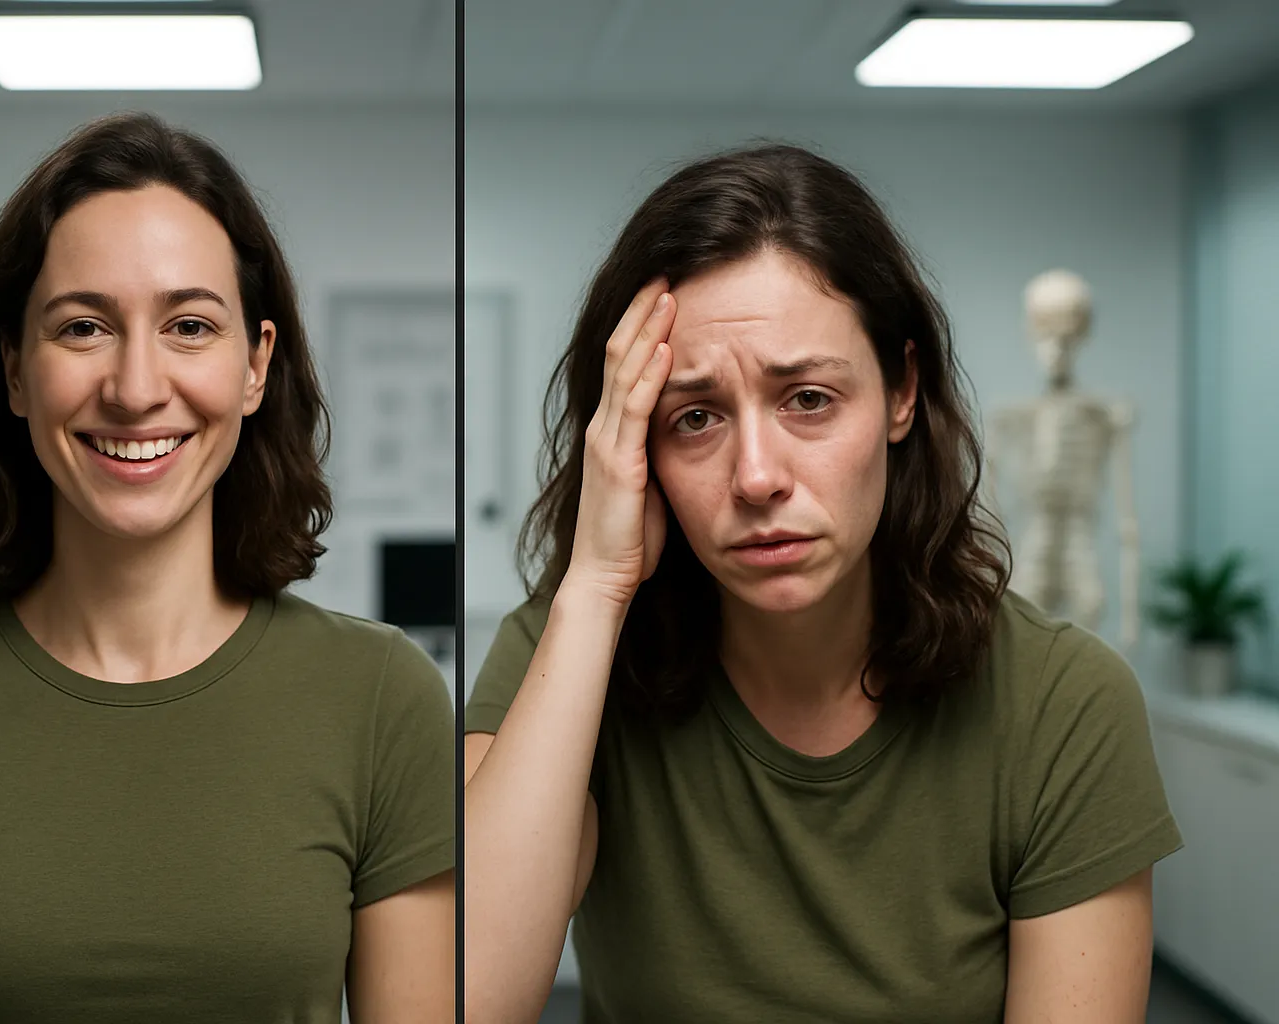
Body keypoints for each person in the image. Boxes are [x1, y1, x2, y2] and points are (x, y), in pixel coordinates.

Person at [463, 143, 1182, 1024]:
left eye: (807, 398)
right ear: (634, 446)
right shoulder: (565, 658)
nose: (757, 476)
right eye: (694, 418)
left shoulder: (1063, 702)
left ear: (901, 391)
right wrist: (597, 584)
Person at [0, 112, 455, 1024]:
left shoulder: (385, 700)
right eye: (84, 326)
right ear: (15, 369)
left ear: (256, 365)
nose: (136, 388)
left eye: (187, 324)